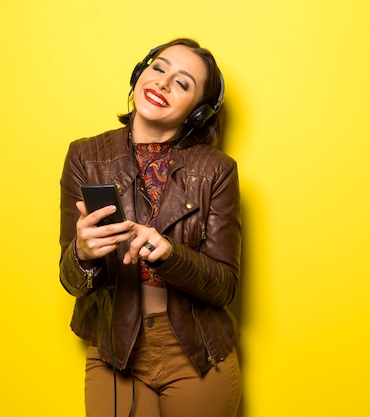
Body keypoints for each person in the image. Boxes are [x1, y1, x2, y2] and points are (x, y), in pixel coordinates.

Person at [59, 38, 242, 417]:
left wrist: (170, 256)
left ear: (198, 113)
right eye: (158, 68)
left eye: (183, 83)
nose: (162, 82)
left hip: (197, 351)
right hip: (115, 347)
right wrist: (82, 255)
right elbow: (71, 282)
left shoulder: (217, 171)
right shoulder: (85, 156)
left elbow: (225, 286)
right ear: (139, 73)